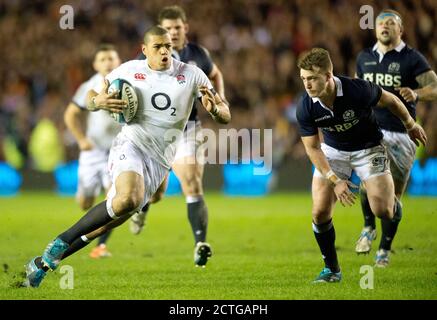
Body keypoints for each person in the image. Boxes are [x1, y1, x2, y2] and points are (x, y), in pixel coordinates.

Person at [22, 26, 231, 288]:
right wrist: (99, 101)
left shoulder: (191, 74)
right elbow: (90, 97)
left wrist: (215, 110)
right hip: (130, 144)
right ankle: (61, 241)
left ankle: (42, 264)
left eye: (167, 45)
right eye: (158, 46)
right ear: (145, 50)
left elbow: (225, 113)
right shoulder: (130, 70)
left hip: (160, 160)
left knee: (109, 220)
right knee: (127, 199)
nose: (165, 50)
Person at [296, 48, 426, 283]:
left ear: (328, 76)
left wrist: (410, 124)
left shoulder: (357, 89)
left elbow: (391, 100)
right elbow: (313, 148)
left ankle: (384, 201)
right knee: (319, 211)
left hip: (368, 148)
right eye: (304, 78)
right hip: (334, 152)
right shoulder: (305, 106)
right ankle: (332, 270)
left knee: (384, 211)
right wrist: (335, 180)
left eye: (312, 78)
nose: (307, 84)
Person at [130, 5, 228, 267]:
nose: (172, 33)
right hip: (157, 134)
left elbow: (215, 74)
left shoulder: (198, 55)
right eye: (168, 28)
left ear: (185, 27)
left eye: (177, 28)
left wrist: (220, 100)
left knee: (192, 182)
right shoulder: (147, 61)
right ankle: (143, 209)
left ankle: (200, 244)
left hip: (188, 129)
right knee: (157, 192)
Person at [355, 9, 437, 266]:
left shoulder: (413, 59)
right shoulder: (364, 57)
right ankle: (368, 227)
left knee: (392, 201)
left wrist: (417, 94)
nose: (384, 27)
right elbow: (358, 89)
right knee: (367, 183)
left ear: (401, 30)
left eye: (391, 23)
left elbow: (434, 86)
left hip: (402, 134)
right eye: (380, 23)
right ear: (375, 28)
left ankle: (385, 249)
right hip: (371, 131)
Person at [64, 44, 121, 259]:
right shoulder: (89, 86)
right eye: (103, 59)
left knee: (114, 200)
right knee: (85, 203)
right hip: (93, 151)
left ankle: (101, 246)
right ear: (95, 64)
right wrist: (81, 140)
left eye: (111, 58)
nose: (108, 62)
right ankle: (89, 192)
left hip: (118, 150)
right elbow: (70, 114)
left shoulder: (127, 83)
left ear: (119, 61)